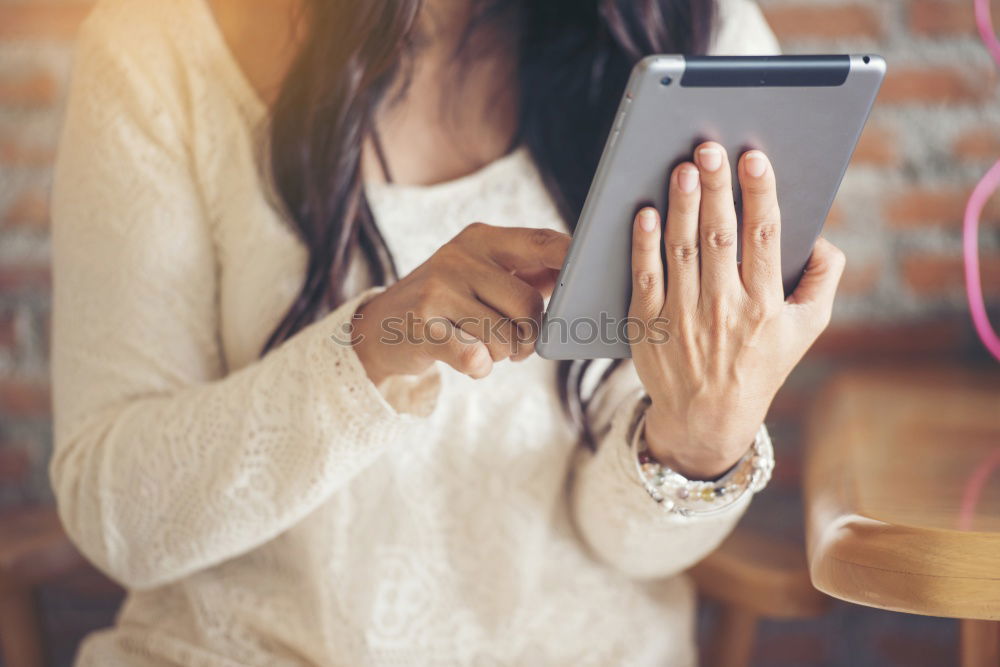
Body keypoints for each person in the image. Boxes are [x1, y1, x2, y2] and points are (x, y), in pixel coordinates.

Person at [49, 0, 845, 664]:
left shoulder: (692, 39)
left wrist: (700, 443)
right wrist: (369, 348)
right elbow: (118, 515)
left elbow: (630, 545)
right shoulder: (157, 51)